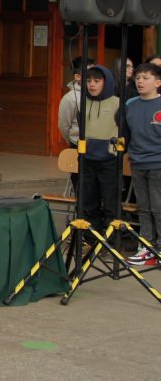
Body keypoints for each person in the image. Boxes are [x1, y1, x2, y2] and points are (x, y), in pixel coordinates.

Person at [77, 65, 120, 246]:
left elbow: (125, 130)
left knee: (111, 203)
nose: (92, 85)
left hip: (109, 160)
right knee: (89, 201)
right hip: (87, 159)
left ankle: (111, 242)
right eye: (88, 81)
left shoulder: (117, 103)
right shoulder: (83, 102)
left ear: (106, 82)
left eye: (97, 81)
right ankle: (91, 240)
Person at [124, 62, 161, 268]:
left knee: (159, 207)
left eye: (146, 78)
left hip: (158, 164)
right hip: (138, 163)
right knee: (144, 208)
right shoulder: (130, 104)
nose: (140, 81)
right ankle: (146, 246)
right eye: (138, 77)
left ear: (158, 82)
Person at [57, 56, 94, 149]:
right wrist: (72, 140)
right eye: (89, 73)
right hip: (78, 144)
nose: (93, 76)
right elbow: (64, 126)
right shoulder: (69, 98)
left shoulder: (98, 92)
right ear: (78, 76)